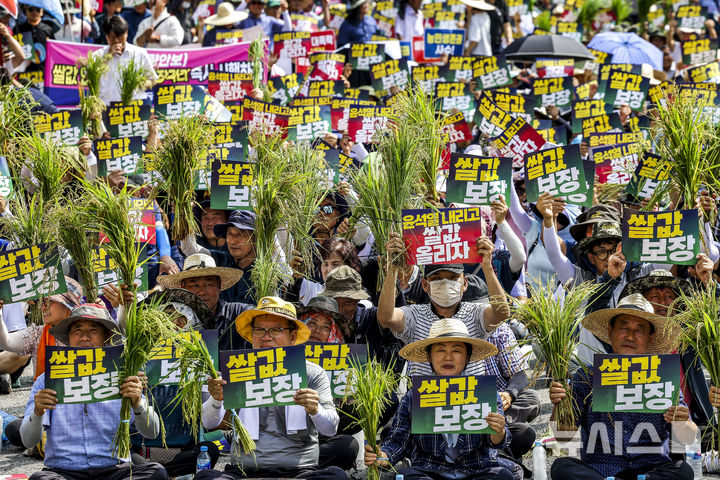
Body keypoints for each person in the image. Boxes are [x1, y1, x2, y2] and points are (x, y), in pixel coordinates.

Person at [548, 294, 696, 480]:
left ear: (650, 338)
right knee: (561, 467)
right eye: (624, 327)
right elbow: (562, 436)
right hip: (600, 469)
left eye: (639, 330)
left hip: (651, 468)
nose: (630, 336)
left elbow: (688, 438)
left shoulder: (662, 376)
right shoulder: (586, 376)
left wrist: (682, 421)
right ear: (610, 332)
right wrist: (559, 405)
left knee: (683, 471)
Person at [197, 296, 346, 480]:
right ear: (252, 335)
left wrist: (315, 409)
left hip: (300, 472)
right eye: (259, 330)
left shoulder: (312, 372)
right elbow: (209, 424)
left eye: (276, 330)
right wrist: (216, 400)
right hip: (244, 472)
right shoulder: (235, 370)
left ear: (292, 337)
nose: (266, 337)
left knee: (336, 476)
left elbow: (331, 429)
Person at [20, 303, 168, 480]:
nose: (84, 337)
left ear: (106, 337)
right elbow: (27, 441)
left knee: (156, 472)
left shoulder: (122, 375)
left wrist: (138, 404)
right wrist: (37, 413)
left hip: (114, 469)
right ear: (68, 337)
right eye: (77, 330)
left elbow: (152, 433)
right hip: (64, 472)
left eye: (93, 330)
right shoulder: (47, 379)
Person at [364, 318, 514, 480]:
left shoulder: (484, 393)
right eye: (440, 350)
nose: (448, 357)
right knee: (405, 476)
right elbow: (398, 440)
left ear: (467, 356)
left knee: (502, 476)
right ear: (429, 356)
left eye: (456, 351)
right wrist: (382, 456)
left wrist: (499, 431)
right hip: (430, 472)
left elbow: (497, 442)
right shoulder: (414, 396)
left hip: (476, 470)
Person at [378, 235, 510, 376]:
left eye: (452, 278)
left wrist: (487, 266)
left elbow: (501, 313)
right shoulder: (415, 316)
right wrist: (393, 269)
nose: (445, 283)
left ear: (465, 283)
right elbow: (386, 318)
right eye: (437, 279)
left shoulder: (475, 313)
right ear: (424, 285)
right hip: (428, 395)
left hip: (472, 394)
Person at [131, 288, 221, 477]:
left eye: (181, 319)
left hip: (184, 454)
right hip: (140, 452)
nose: (174, 324)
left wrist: (216, 398)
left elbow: (208, 421)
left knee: (209, 449)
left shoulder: (201, 361)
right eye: (167, 317)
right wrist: (136, 392)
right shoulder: (136, 358)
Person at [297, 296, 360, 470]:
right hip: (281, 435)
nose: (317, 331)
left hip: (322, 433)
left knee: (348, 446)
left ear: (333, 333)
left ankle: (301, 462)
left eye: (326, 327)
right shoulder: (280, 353)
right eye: (312, 323)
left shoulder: (343, 361)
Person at [156, 253, 252, 351]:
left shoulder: (240, 314)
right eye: (194, 285)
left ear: (219, 286)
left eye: (208, 284)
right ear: (183, 288)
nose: (201, 292)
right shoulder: (169, 320)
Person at [96, 15, 159, 105]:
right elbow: (90, 78)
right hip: (106, 107)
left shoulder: (140, 53)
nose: (117, 41)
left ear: (127, 33)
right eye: (112, 37)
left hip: (134, 107)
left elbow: (153, 79)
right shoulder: (98, 55)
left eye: (120, 37)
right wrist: (107, 56)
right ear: (106, 36)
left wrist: (138, 84)